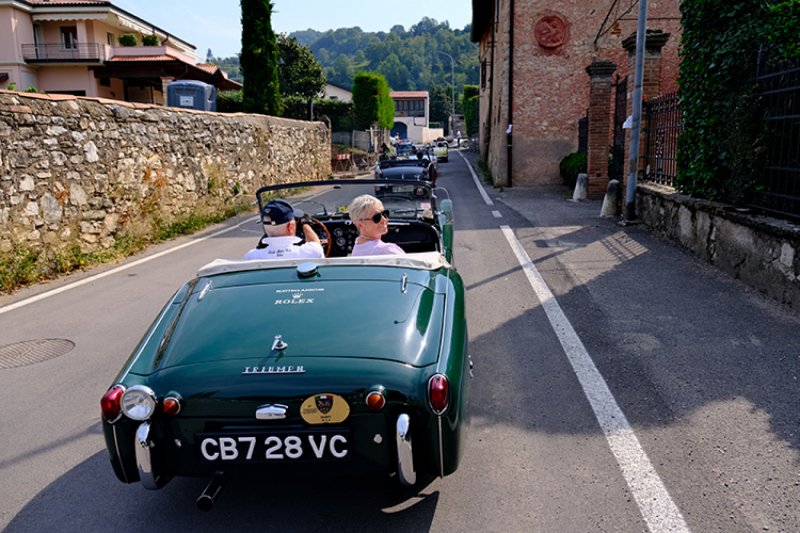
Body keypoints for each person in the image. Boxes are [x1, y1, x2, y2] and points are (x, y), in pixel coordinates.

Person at [243, 199, 323, 260]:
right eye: (295, 221)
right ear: (290, 227)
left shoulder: (251, 257)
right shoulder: (311, 252)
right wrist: (305, 224)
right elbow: (315, 243)